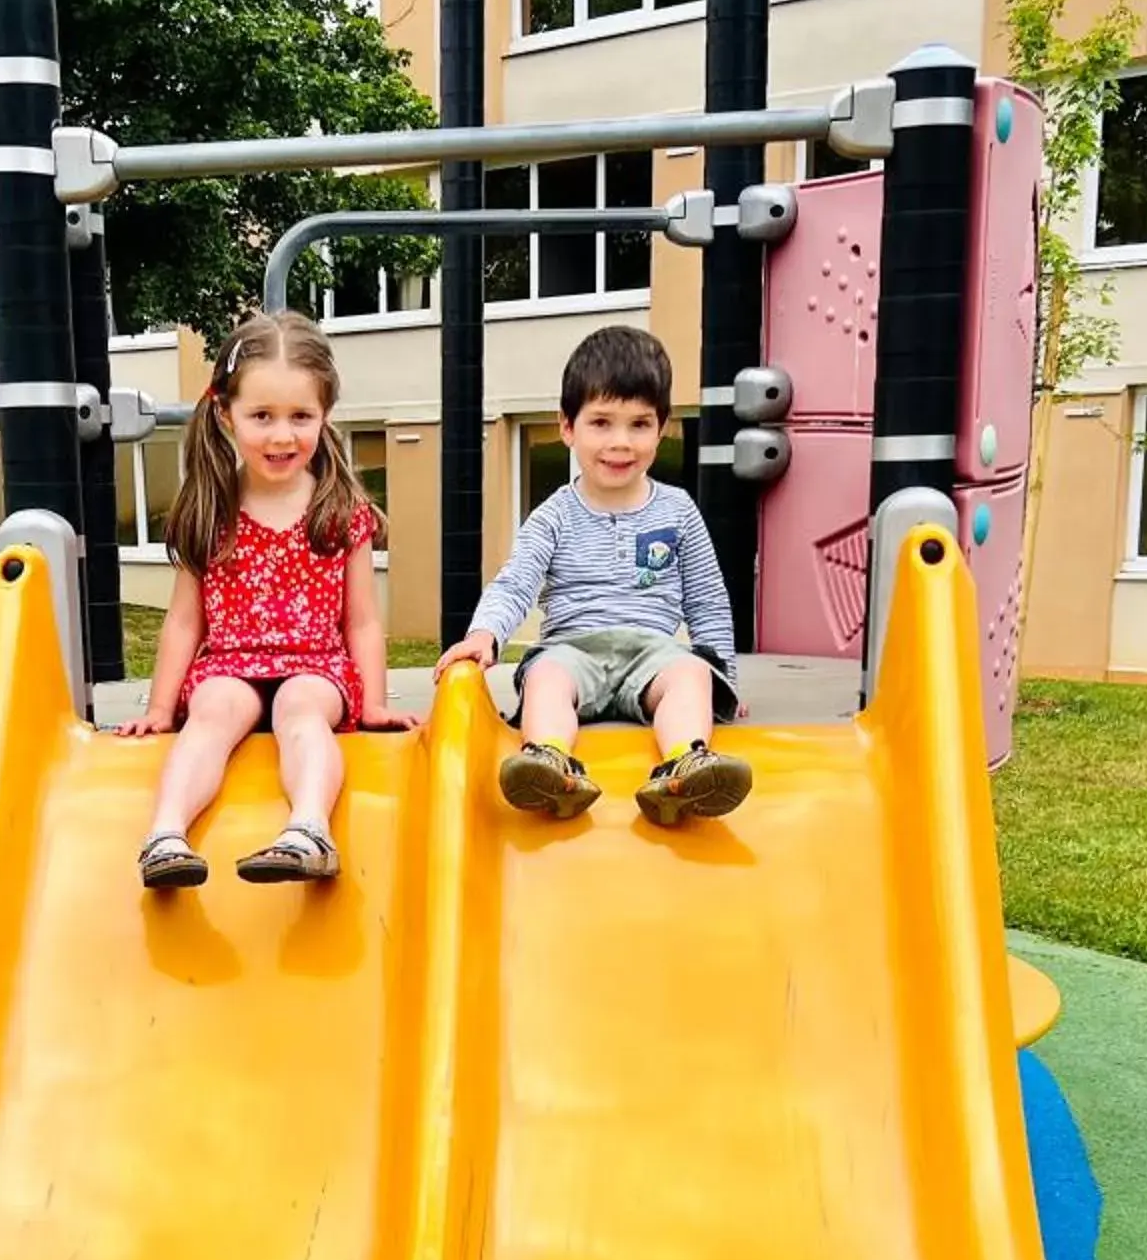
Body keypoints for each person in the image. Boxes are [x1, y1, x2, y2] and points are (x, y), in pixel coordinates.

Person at [127, 311, 408, 887]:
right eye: (262, 417)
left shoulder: (338, 511)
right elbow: (185, 621)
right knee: (209, 713)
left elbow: (361, 622)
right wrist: (160, 709)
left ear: (325, 415)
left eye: (300, 416)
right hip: (230, 662)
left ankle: (308, 829)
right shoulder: (211, 508)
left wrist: (375, 703)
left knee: (300, 710)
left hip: (315, 665)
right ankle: (165, 834)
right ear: (226, 415)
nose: (283, 436)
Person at [435, 324, 752, 828]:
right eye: (601, 422)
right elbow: (516, 582)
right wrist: (485, 633)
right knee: (545, 677)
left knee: (691, 674)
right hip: (573, 649)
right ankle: (549, 762)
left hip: (653, 653)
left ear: (662, 426)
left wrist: (724, 680)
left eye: (639, 424)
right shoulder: (554, 516)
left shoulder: (678, 511)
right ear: (568, 427)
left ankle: (684, 767)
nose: (620, 443)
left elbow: (707, 600)